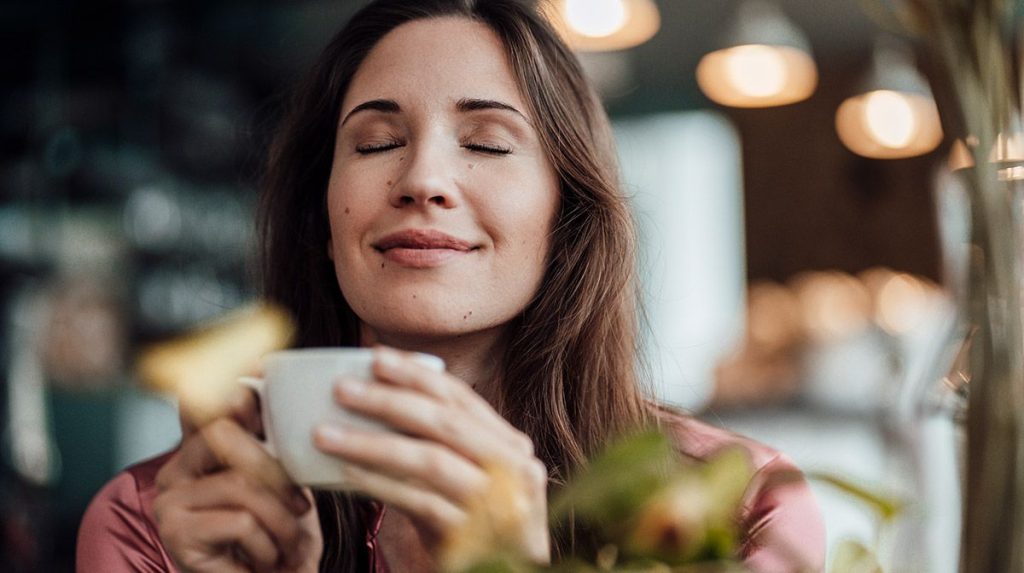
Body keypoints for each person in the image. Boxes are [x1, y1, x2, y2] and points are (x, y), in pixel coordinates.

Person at [76, 1, 826, 572]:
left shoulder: (737, 501)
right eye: (376, 143)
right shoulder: (152, 523)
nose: (424, 179)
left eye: (488, 144)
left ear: (566, 219)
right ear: (323, 221)